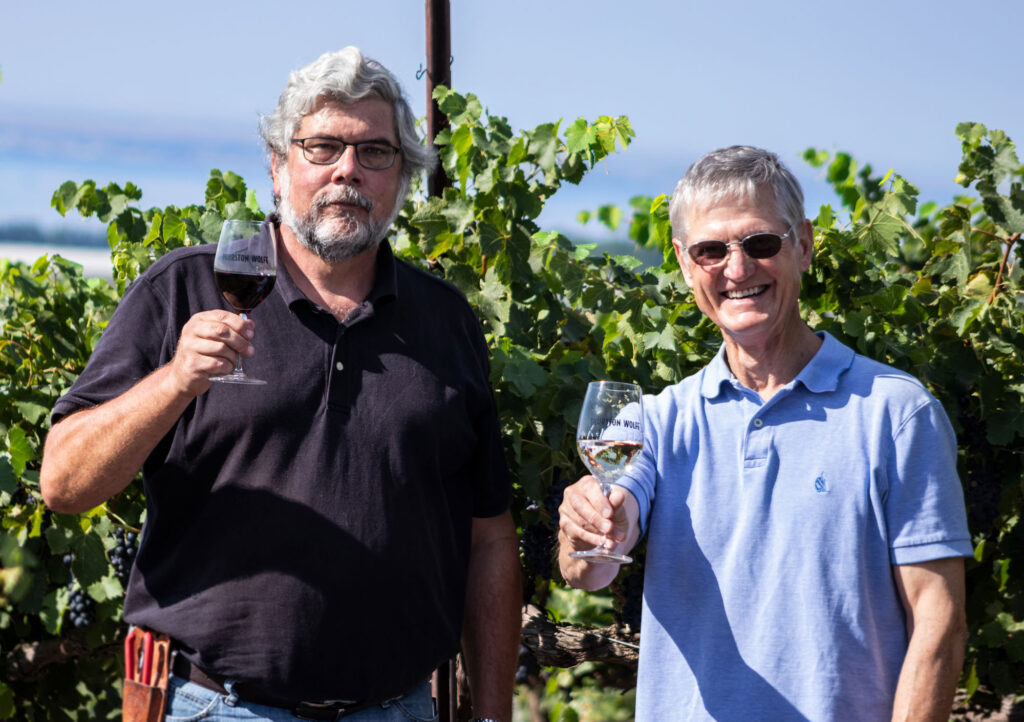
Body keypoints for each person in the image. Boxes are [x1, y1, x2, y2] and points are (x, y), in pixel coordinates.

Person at [41, 47, 519, 722]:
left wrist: (494, 712)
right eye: (322, 147)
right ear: (277, 166)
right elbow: (63, 483)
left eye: (375, 152)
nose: (347, 170)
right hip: (213, 707)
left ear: (402, 177)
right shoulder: (182, 289)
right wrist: (176, 380)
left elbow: (489, 536)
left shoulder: (446, 322)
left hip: (398, 710)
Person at [557, 146, 972, 721]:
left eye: (759, 244)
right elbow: (592, 568)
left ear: (801, 244)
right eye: (710, 250)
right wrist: (586, 527)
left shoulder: (896, 414)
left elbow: (939, 618)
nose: (736, 269)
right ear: (683, 263)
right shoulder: (657, 420)